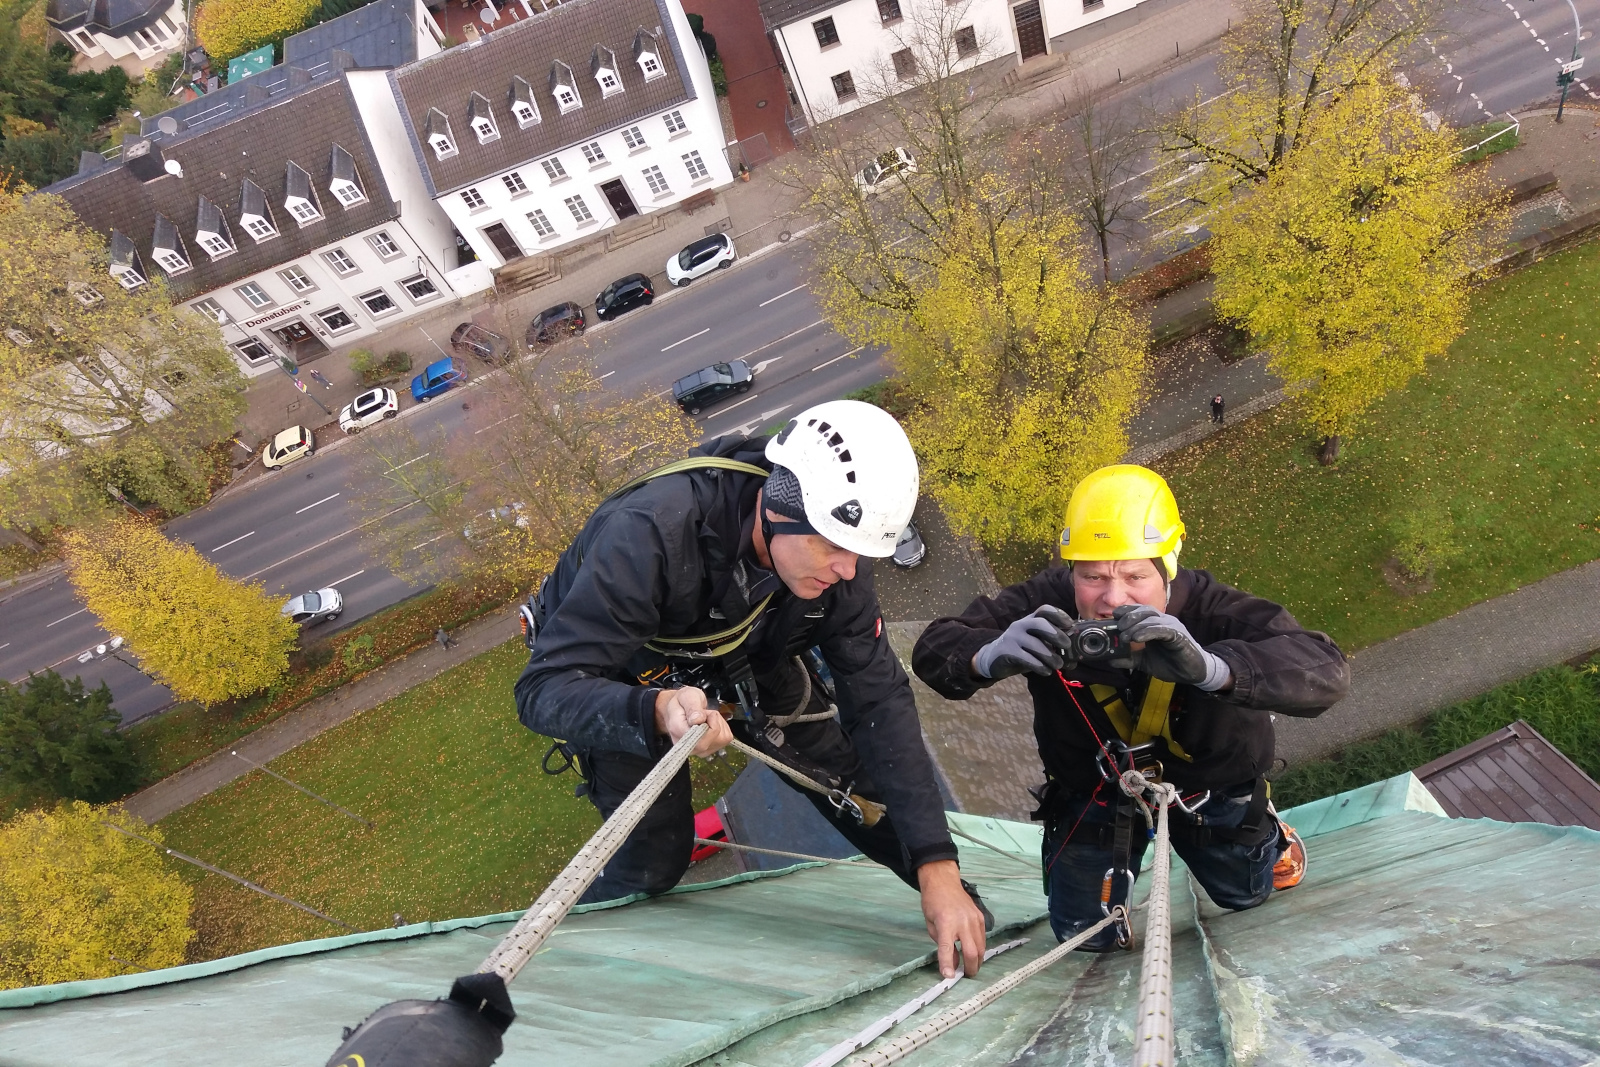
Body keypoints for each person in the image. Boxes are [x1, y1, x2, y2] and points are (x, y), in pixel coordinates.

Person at [514, 401, 990, 978]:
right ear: (778, 510)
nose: (847, 571)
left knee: (846, 783)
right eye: (834, 549)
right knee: (654, 861)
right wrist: (659, 709)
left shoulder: (836, 559)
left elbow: (880, 701)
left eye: (859, 555)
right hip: (632, 677)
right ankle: (566, 966)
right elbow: (543, 689)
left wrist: (936, 867)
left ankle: (953, 910)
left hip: (750, 650)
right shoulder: (650, 535)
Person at [912, 465, 1348, 950]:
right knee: (1084, 935)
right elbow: (934, 650)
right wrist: (986, 655)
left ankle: (1269, 840)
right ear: (1070, 571)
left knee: (1244, 894)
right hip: (1094, 788)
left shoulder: (1214, 612)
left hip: (1209, 784)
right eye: (1092, 576)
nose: (1111, 599)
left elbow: (1324, 672)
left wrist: (1211, 668)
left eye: (1136, 575)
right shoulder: (1047, 605)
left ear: (1168, 566)